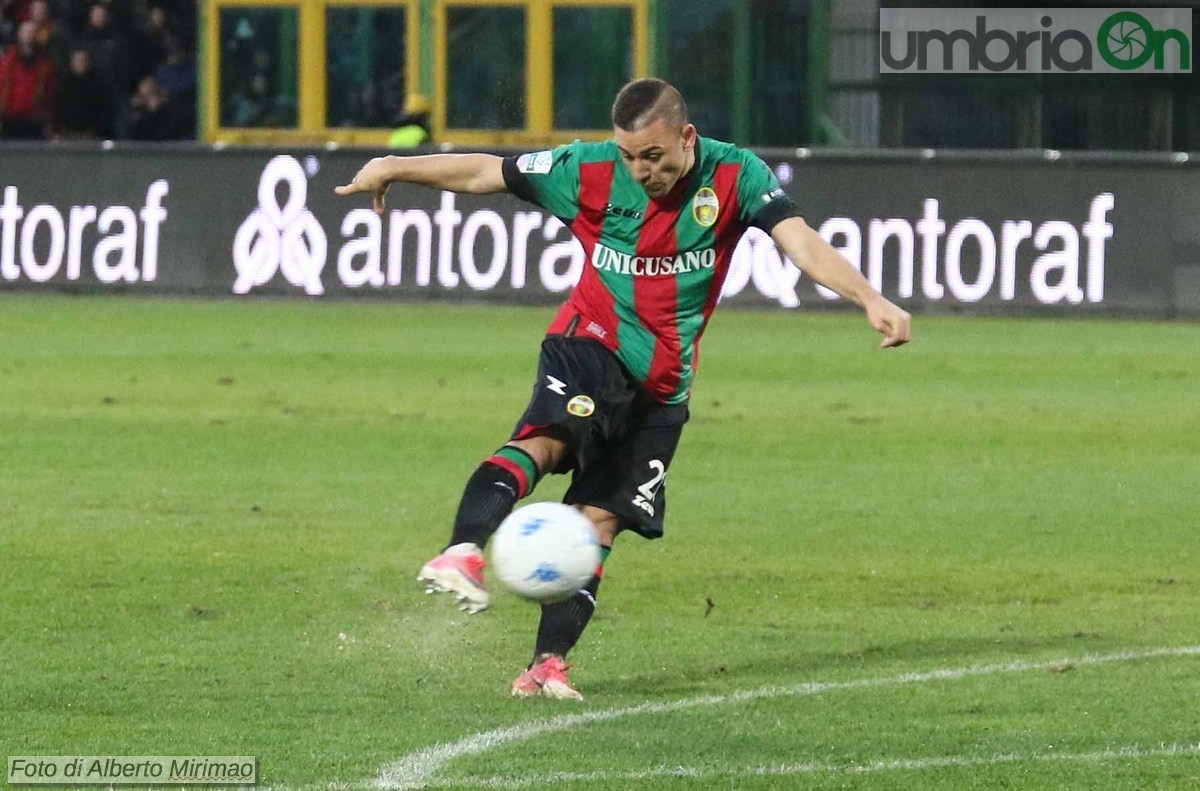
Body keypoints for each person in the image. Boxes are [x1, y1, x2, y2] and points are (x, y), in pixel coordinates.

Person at [335, 78, 911, 701]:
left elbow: (801, 243)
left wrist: (869, 298)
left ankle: (546, 665)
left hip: (663, 387)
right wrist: (394, 165)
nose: (641, 170)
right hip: (590, 342)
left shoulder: (736, 175)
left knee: (601, 520)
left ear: (686, 138)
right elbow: (486, 173)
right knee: (552, 440)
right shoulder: (585, 168)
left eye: (655, 156)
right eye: (630, 156)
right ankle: (462, 551)